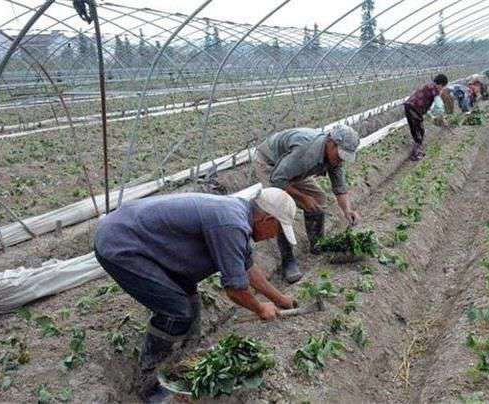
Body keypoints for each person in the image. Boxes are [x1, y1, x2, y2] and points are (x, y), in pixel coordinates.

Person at [93, 188, 298, 398]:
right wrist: (260, 308)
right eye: (278, 230)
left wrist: (280, 299)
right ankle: (150, 383)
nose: (274, 236)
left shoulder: (237, 215)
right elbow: (235, 290)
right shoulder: (231, 225)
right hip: (120, 243)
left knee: (191, 313)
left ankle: (181, 369)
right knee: (177, 312)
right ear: (267, 219)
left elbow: (248, 270)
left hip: (141, 240)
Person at [255, 125, 361, 283]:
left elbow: (339, 187)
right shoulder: (307, 151)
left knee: (318, 198)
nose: (340, 160)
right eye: (339, 156)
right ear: (331, 143)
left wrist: (347, 210)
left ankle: (317, 243)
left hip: (291, 168)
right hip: (270, 164)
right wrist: (303, 198)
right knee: (280, 207)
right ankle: (288, 261)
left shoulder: (334, 158)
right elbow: (277, 179)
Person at [403, 73, 449, 161]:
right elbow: (439, 106)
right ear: (440, 84)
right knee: (419, 131)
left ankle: (417, 151)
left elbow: (426, 105)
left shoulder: (429, 86)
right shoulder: (434, 89)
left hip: (410, 107)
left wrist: (433, 116)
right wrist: (442, 119)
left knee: (416, 130)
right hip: (414, 108)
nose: (442, 89)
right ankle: (414, 155)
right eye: (442, 87)